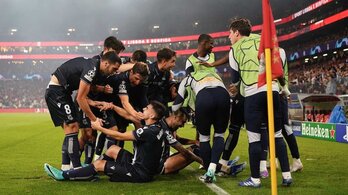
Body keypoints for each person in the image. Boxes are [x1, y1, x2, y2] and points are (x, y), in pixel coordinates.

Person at [226, 18, 292, 187]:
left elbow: (235, 79)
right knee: (277, 135)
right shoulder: (264, 40)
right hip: (273, 90)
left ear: (237, 33)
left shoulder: (234, 49)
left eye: (230, 33)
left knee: (254, 139)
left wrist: (238, 90)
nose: (228, 37)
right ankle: (286, 176)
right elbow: (278, 68)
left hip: (253, 93)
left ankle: (255, 179)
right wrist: (283, 88)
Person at [44, 101, 167, 183]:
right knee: (113, 149)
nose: (144, 109)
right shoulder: (156, 127)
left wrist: (99, 128)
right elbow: (128, 116)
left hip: (139, 172)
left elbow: (120, 136)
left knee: (98, 164)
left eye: (147, 108)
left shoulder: (149, 131)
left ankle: (64, 175)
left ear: (151, 115)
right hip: (143, 165)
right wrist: (112, 106)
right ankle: (91, 171)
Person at [44, 51, 122, 171]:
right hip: (57, 91)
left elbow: (85, 87)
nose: (115, 71)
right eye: (114, 68)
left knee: (71, 128)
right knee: (72, 127)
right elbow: (81, 98)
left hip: (63, 92)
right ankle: (76, 168)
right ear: (106, 63)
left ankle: (66, 167)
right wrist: (94, 119)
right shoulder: (91, 68)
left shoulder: (95, 67)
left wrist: (101, 89)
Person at [172, 53, 230, 183]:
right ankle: (213, 168)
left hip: (204, 97)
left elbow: (176, 106)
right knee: (219, 135)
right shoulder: (215, 74)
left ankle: (209, 172)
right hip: (223, 96)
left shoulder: (188, 78)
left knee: (204, 138)